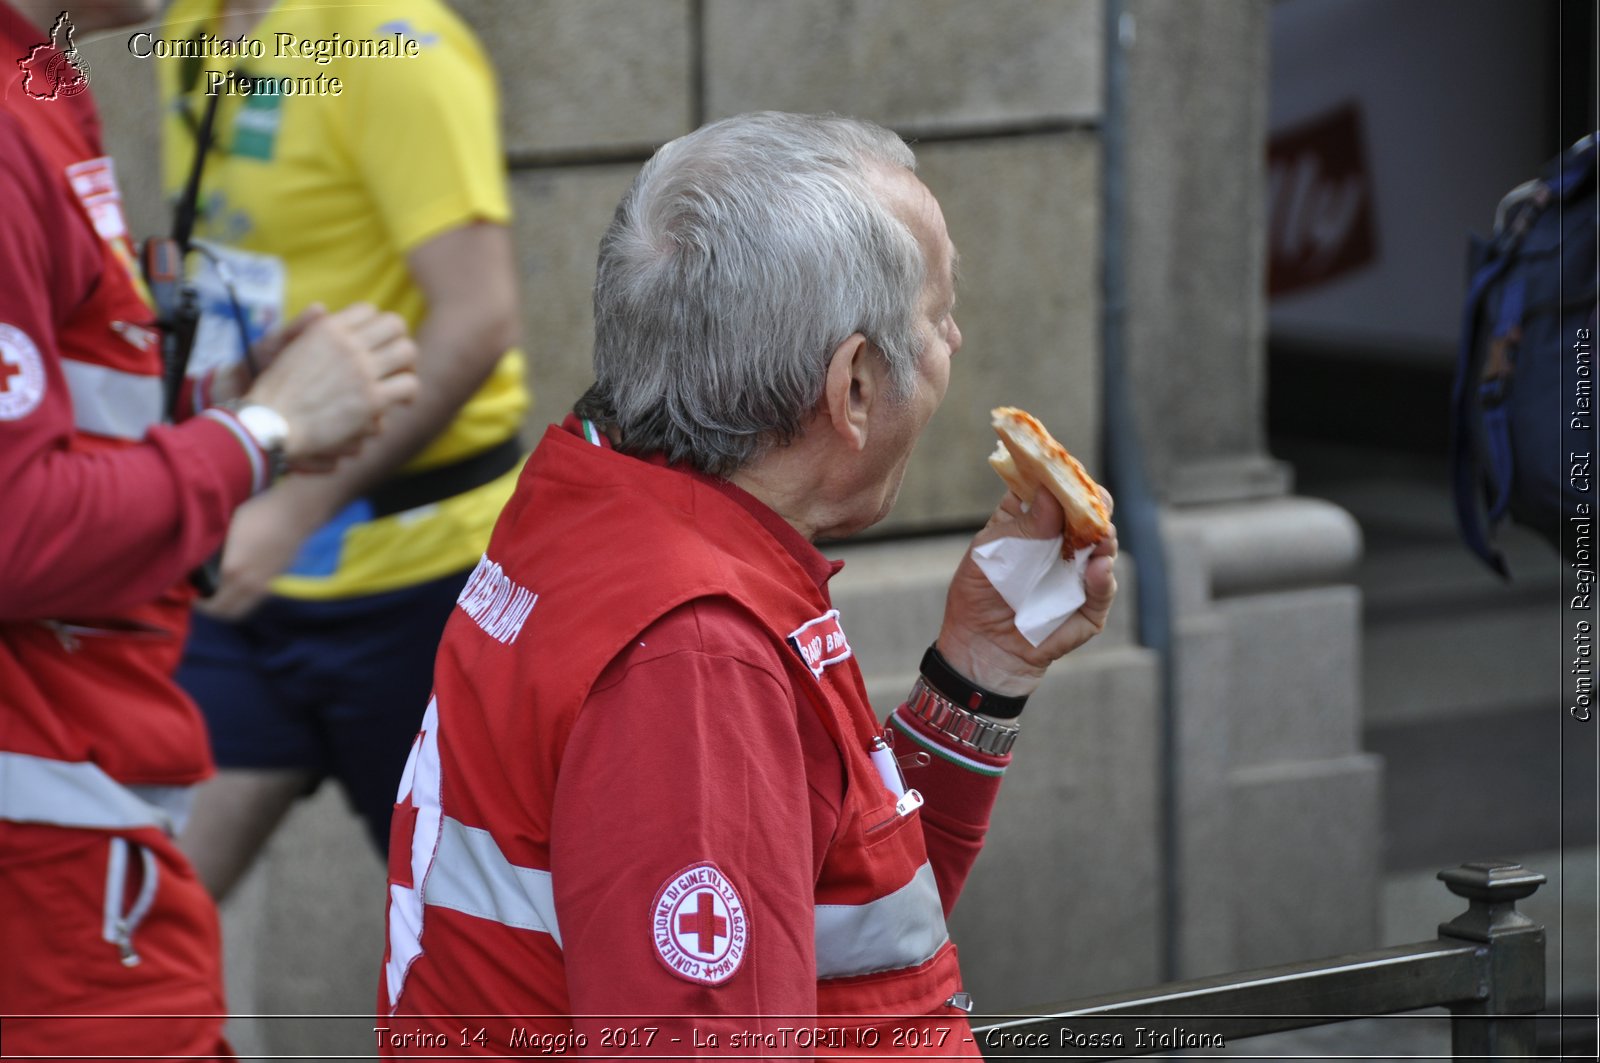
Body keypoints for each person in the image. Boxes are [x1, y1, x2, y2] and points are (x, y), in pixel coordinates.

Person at [377, 112, 1118, 1056]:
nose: (955, 339)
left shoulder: (609, 505)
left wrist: (982, 669)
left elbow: (839, 919)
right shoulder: (695, 650)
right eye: (937, 316)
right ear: (850, 387)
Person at [0, 2, 418, 1059]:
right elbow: (14, 527)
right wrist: (259, 434)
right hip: (47, 855)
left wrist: (224, 410)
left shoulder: (40, 77)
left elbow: (55, 427)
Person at [152, 0, 527, 898]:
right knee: (135, 924)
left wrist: (288, 511)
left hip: (424, 586)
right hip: (242, 574)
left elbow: (479, 319)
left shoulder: (398, 46)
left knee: (478, 947)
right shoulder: (181, 30)